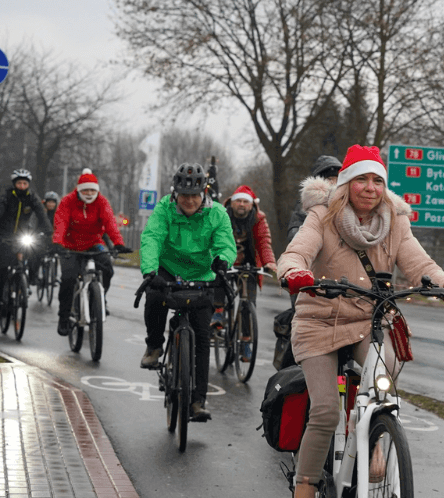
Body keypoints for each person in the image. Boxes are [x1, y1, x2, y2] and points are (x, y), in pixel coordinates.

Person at [277, 144, 444, 498]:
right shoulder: (322, 217)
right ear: (347, 183)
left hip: (370, 321)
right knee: (327, 410)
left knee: (381, 391)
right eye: (362, 180)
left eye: (378, 181)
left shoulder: (394, 222)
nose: (370, 188)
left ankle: (375, 442)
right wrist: (295, 271)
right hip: (319, 321)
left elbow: (420, 265)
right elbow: (298, 250)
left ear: (385, 187)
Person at [138, 163, 237, 422]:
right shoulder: (164, 209)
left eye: (195, 195)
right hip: (168, 270)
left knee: (202, 339)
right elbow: (152, 238)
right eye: (184, 195)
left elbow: (225, 243)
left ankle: (197, 402)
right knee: (155, 297)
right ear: (175, 193)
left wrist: (222, 261)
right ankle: (154, 346)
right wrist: (150, 271)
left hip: (203, 275)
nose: (190, 200)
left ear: (204, 192)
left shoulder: (217, 214)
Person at [52, 170, 128, 337]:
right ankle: (63, 316)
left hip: (94, 243)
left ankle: (100, 298)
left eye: (92, 190)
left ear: (97, 191)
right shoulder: (67, 202)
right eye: (85, 190)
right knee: (68, 279)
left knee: (107, 266)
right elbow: (61, 223)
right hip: (70, 245)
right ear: (78, 190)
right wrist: (58, 242)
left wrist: (118, 243)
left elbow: (110, 224)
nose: (89, 193)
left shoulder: (102, 202)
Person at [0, 169, 51, 326]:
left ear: (28, 184)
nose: (22, 186)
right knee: (0, 272)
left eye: (25, 183)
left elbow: (42, 215)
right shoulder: (6, 197)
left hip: (23, 235)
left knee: (35, 253)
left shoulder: (32, 198)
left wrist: (49, 232)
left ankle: (26, 281)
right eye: (19, 183)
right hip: (4, 236)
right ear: (14, 184)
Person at [220, 185, 278, 361]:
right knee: (219, 284)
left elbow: (264, 242)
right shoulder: (223, 216)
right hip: (225, 261)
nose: (242, 204)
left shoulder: (259, 219)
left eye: (246, 201)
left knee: (248, 302)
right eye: (239, 200)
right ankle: (217, 314)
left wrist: (269, 262)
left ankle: (245, 343)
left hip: (249, 265)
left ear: (252, 205)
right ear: (232, 202)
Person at [284, 154, 341, 243]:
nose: (334, 184)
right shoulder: (306, 205)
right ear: (319, 182)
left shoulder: (350, 201)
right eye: (329, 179)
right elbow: (295, 236)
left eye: (337, 180)